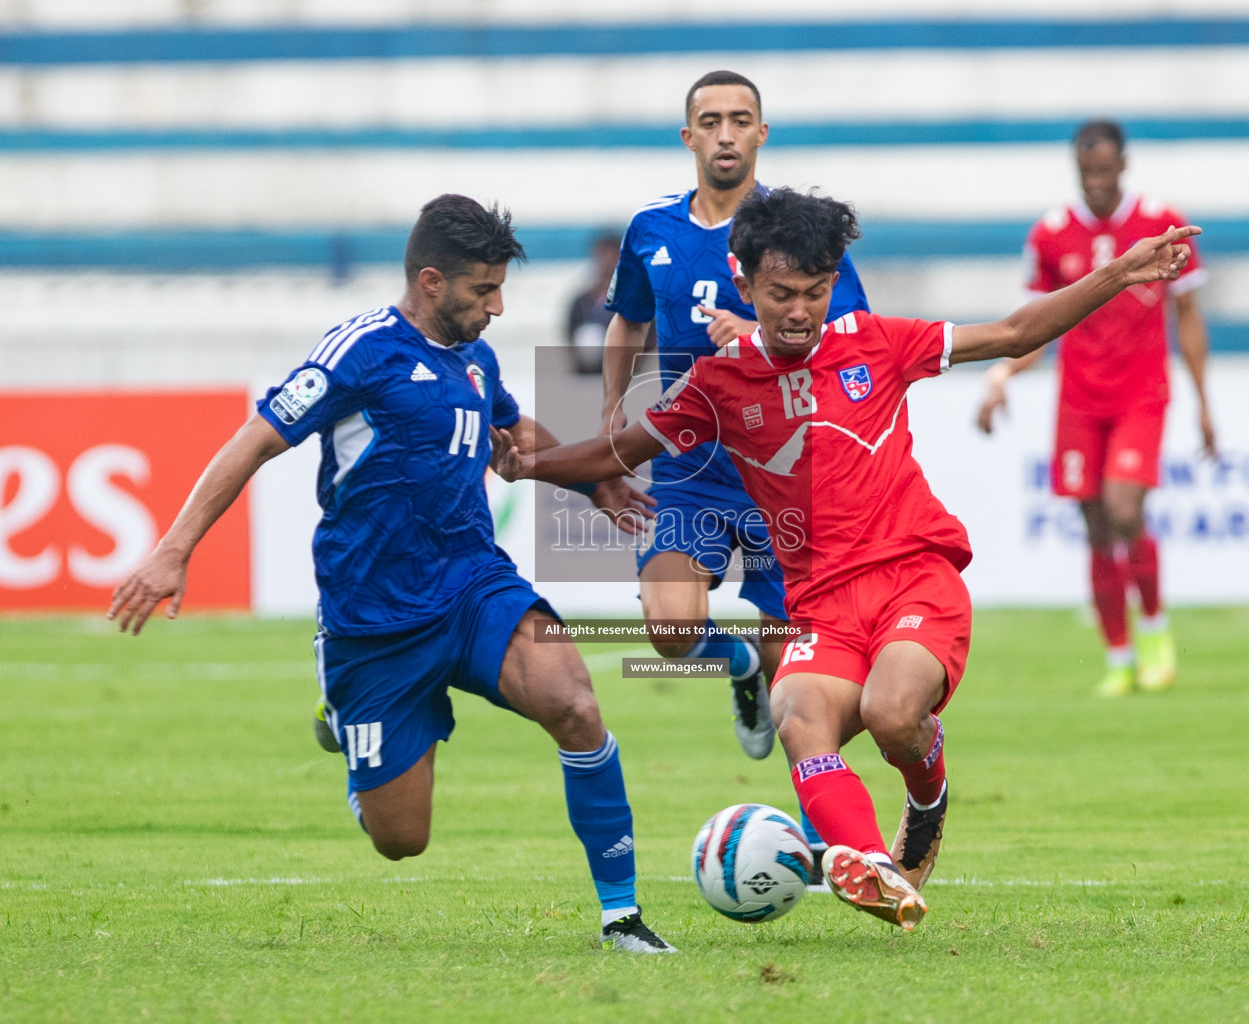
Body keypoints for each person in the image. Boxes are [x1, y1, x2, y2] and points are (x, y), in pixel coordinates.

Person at [497, 187, 1200, 930]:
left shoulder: (877, 342)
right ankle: (869, 865)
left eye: (813, 292)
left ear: (833, 283)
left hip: (912, 577)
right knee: (797, 711)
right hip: (822, 605)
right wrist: (528, 465)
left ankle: (927, 801)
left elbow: (1017, 331)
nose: (799, 311)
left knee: (892, 715)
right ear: (744, 285)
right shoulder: (716, 385)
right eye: (780, 295)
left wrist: (1116, 274)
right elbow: (618, 449)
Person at [107, 194, 674, 954]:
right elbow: (254, 439)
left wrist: (591, 480)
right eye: (484, 291)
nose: (497, 307)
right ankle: (345, 721)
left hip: (475, 585)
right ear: (432, 281)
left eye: (501, 288)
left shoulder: (476, 356)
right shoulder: (360, 352)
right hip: (374, 621)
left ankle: (621, 918)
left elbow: (513, 428)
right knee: (401, 839)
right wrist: (175, 548)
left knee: (572, 699)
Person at [602, 70, 870, 875]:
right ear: (688, 136)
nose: (725, 134)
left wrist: (754, 330)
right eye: (710, 121)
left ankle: (820, 846)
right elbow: (628, 320)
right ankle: (739, 668)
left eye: (740, 120)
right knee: (671, 630)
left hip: (787, 475)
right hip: (691, 471)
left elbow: (849, 333)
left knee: (808, 677)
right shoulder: (650, 230)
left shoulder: (796, 230)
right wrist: (615, 412)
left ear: (762, 134)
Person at [976, 119, 1214, 698]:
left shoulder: (1161, 224)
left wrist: (1205, 402)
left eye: (1106, 171)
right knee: (1094, 524)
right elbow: (1033, 328)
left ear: (1124, 165)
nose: (1097, 182)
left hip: (1141, 393)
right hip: (1079, 399)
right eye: (1088, 172)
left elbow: (1187, 316)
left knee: (1124, 507)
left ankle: (1155, 630)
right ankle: (1119, 654)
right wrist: (1002, 373)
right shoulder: (1052, 234)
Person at [564, 232, 634, 375]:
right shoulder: (582, 301)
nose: (606, 261)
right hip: (587, 374)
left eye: (612, 256)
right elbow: (569, 333)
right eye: (602, 255)